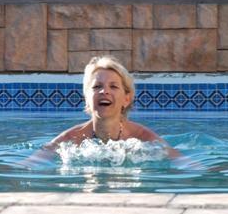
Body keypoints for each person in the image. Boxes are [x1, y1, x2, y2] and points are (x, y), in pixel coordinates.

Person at [20, 55, 182, 168]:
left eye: (113, 86)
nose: (104, 91)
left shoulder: (143, 138)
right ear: (86, 98)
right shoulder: (70, 139)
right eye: (97, 86)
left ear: (127, 99)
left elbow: (184, 163)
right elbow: (29, 164)